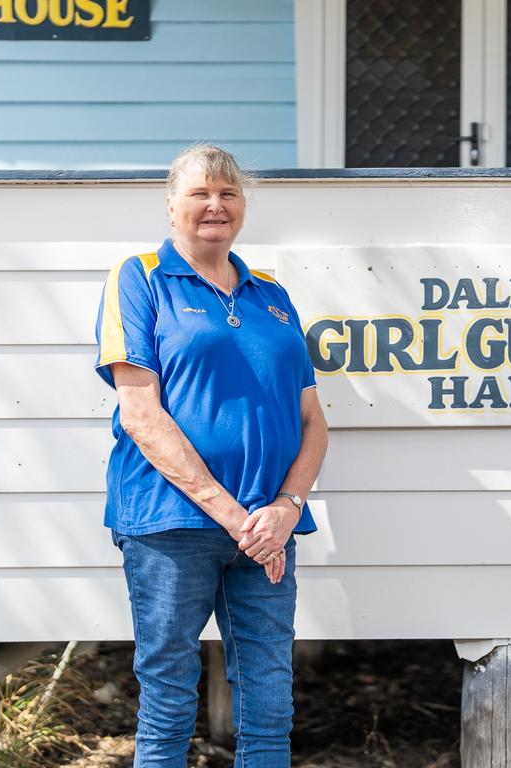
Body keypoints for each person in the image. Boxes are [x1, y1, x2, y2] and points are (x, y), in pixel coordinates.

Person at [94, 144, 328, 767]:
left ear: (243, 207)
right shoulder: (139, 277)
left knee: (270, 699)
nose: (214, 205)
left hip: (268, 531)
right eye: (200, 193)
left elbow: (313, 422)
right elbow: (142, 415)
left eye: (228, 194)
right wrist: (236, 517)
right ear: (172, 205)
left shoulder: (271, 293)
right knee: (170, 696)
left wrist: (285, 506)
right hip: (171, 524)